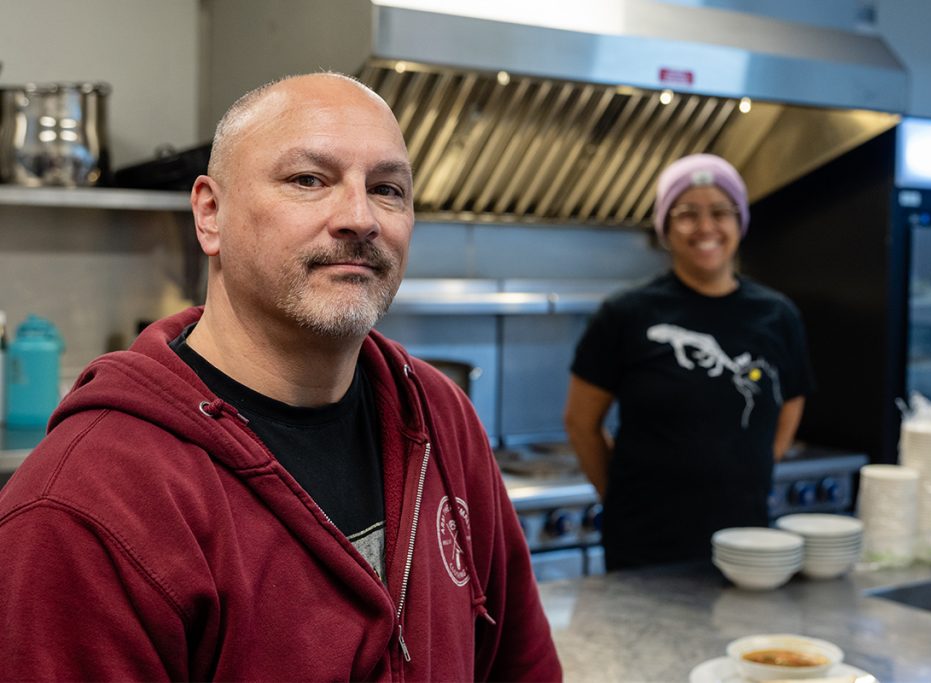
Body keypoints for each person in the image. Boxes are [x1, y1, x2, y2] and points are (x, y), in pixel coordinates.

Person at [0, 73, 561, 681]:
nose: (359, 217)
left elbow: (520, 664)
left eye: (388, 189)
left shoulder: (437, 413)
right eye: (308, 180)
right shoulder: (86, 503)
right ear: (210, 215)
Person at [563, 153, 814, 572]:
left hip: (746, 538)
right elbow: (580, 421)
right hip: (644, 543)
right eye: (686, 214)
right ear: (664, 227)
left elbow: (791, 395)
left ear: (740, 223)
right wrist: (618, 496)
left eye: (721, 212)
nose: (706, 228)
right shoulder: (626, 313)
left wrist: (762, 461)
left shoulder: (777, 314)